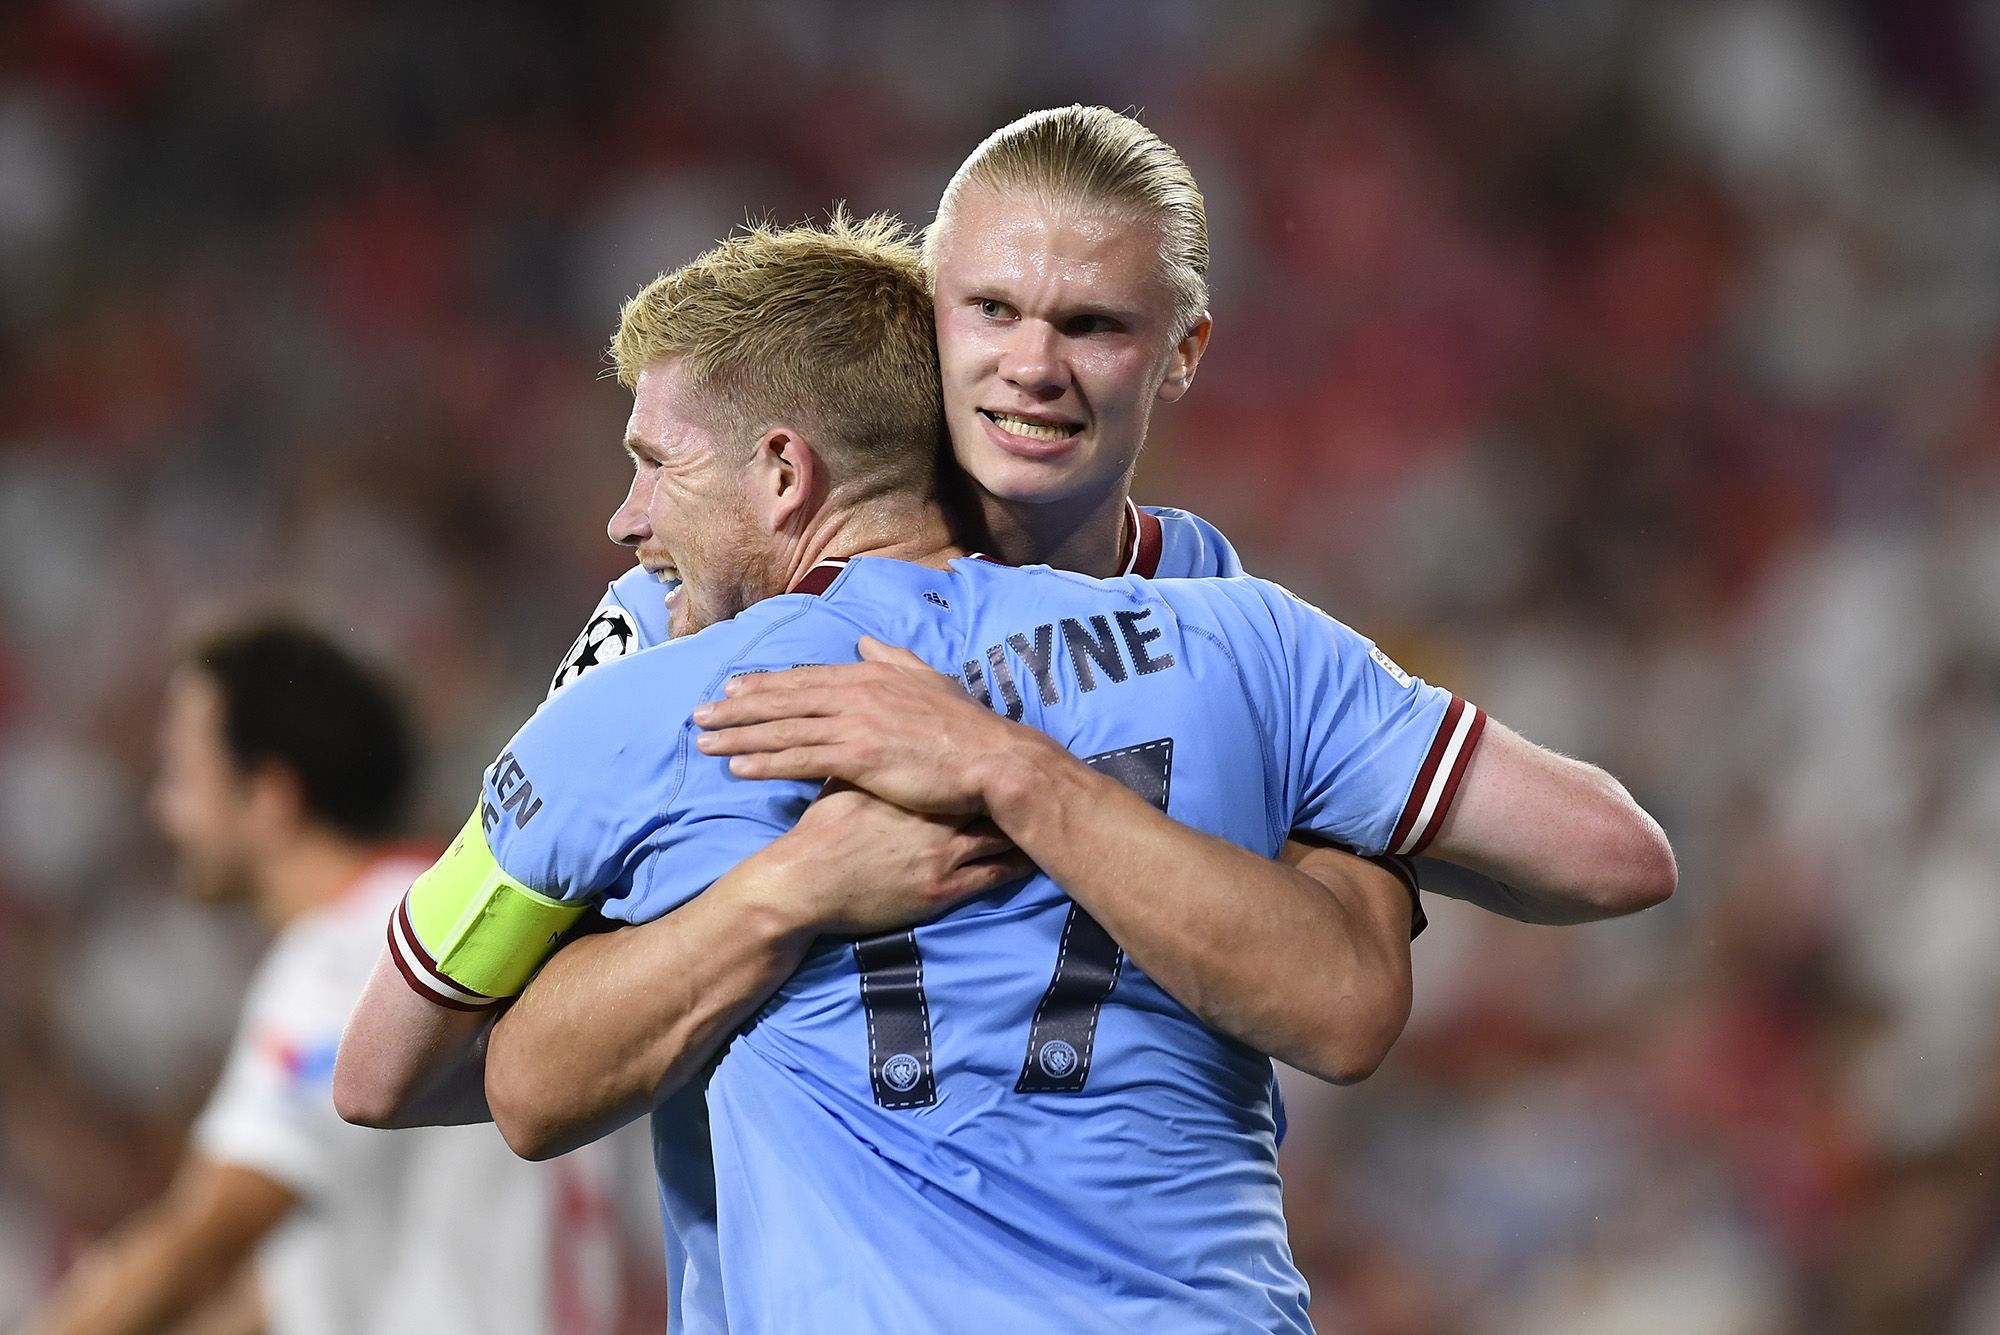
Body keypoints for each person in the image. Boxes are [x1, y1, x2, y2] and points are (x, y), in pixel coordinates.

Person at [337, 214, 1671, 1330]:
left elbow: (393, 1071)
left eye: (650, 463)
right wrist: (1344, 822)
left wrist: (780, 894)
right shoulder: (1235, 637)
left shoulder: (648, 705)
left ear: (785, 471)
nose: (625, 519)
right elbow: (1616, 856)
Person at [27, 621, 662, 1335]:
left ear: (269, 793)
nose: (162, 811)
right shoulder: (460, 924)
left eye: (181, 773)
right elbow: (305, 1280)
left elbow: (206, 1234)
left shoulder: (349, 956)